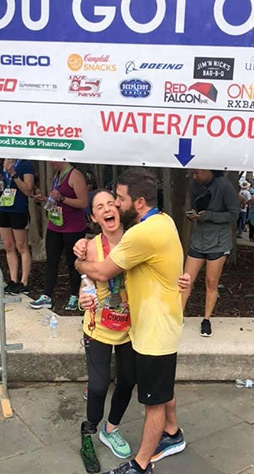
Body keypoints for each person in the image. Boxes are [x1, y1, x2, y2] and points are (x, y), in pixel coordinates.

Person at [74, 168, 186, 474]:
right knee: (151, 388)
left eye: (117, 200)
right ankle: (172, 432)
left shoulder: (138, 234)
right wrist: (83, 279)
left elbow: (101, 272)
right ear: (94, 218)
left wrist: (77, 263)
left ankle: (140, 464)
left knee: (151, 399)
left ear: (136, 203)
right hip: (134, 327)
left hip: (148, 330)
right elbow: (91, 278)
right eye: (102, 206)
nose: (113, 206)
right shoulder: (162, 221)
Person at [79, 189, 137, 474]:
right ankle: (88, 431)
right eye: (99, 207)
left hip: (131, 328)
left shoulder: (137, 240)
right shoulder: (90, 247)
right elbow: (86, 282)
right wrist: (83, 296)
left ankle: (110, 429)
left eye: (111, 203)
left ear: (119, 208)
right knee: (100, 387)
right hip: (97, 327)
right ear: (93, 217)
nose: (106, 209)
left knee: (127, 382)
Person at [182, 170, 239, 337]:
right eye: (193, 173)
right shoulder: (194, 184)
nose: (194, 176)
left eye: (197, 173)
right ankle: (178, 315)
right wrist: (193, 215)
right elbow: (193, 206)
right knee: (186, 279)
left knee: (211, 282)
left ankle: (206, 320)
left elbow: (233, 214)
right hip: (199, 240)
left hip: (219, 242)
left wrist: (209, 216)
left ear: (209, 170)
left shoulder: (224, 185)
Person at [30, 161, 87, 310]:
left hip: (73, 227)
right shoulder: (58, 175)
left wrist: (62, 198)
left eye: (52, 160)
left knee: (73, 262)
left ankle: (75, 296)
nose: (50, 163)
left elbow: (83, 203)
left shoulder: (75, 175)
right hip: (55, 225)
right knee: (51, 261)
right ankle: (46, 295)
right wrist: (46, 200)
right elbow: (56, 197)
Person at [0, 158, 34, 294]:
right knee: (8, 245)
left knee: (22, 245)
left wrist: (13, 174)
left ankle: (24, 282)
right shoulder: (3, 162)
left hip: (18, 209)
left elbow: (28, 190)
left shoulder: (25, 164)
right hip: (3, 207)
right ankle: (13, 280)